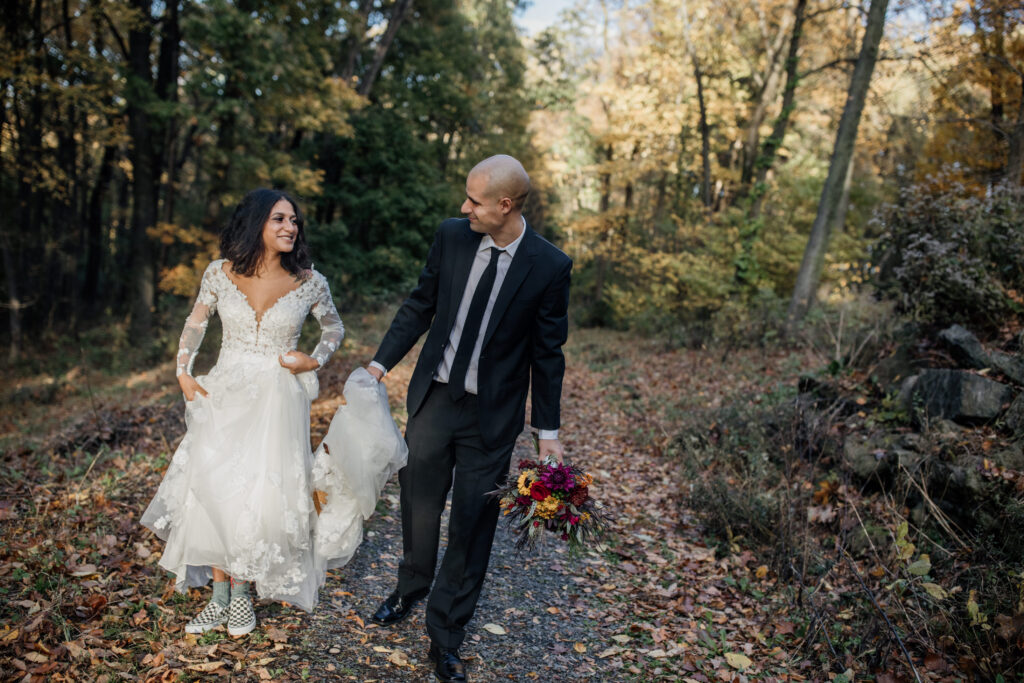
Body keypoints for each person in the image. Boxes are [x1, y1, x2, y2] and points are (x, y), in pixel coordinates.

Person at [141, 188, 406, 637]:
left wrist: (313, 360)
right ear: (255, 224)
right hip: (223, 391)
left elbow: (334, 328)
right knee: (216, 486)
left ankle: (242, 595)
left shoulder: (309, 282)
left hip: (277, 398)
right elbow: (196, 322)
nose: (290, 227)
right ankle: (218, 596)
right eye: (279, 219)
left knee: (258, 492)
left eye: (294, 220)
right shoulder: (218, 274)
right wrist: (183, 372)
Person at [367, 155, 571, 683]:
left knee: (471, 526)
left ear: (505, 205)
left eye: (475, 200)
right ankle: (410, 588)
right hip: (435, 399)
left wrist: (547, 435)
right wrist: (379, 363)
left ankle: (447, 635)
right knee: (418, 503)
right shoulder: (452, 237)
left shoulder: (549, 266)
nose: (464, 208)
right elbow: (420, 304)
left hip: (492, 415)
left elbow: (549, 355)